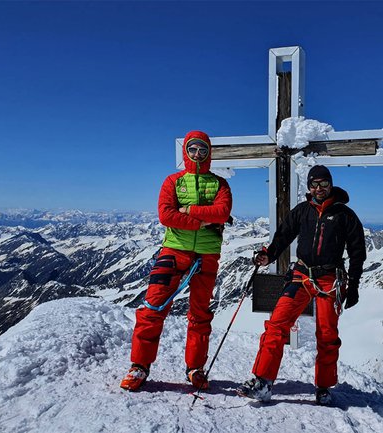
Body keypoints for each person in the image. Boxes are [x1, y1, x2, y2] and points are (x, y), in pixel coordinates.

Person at [237, 165, 366, 406]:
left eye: (323, 184)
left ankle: (324, 386)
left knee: (327, 335)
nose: (319, 189)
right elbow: (283, 236)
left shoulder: (345, 215)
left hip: (330, 279)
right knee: (276, 325)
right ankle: (263, 381)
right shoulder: (302, 211)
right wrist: (269, 255)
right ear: (309, 187)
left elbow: (358, 252)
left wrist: (354, 285)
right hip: (302, 275)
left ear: (331, 184)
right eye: (314, 185)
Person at [120, 130, 232, 392]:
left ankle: (195, 368)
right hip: (173, 251)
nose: (197, 154)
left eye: (202, 149)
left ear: (208, 152)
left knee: (200, 314)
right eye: (193, 149)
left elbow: (223, 212)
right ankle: (139, 365)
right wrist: (204, 221)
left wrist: (188, 210)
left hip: (207, 255)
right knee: (153, 306)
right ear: (186, 151)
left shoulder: (220, 184)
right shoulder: (172, 181)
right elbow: (166, 215)